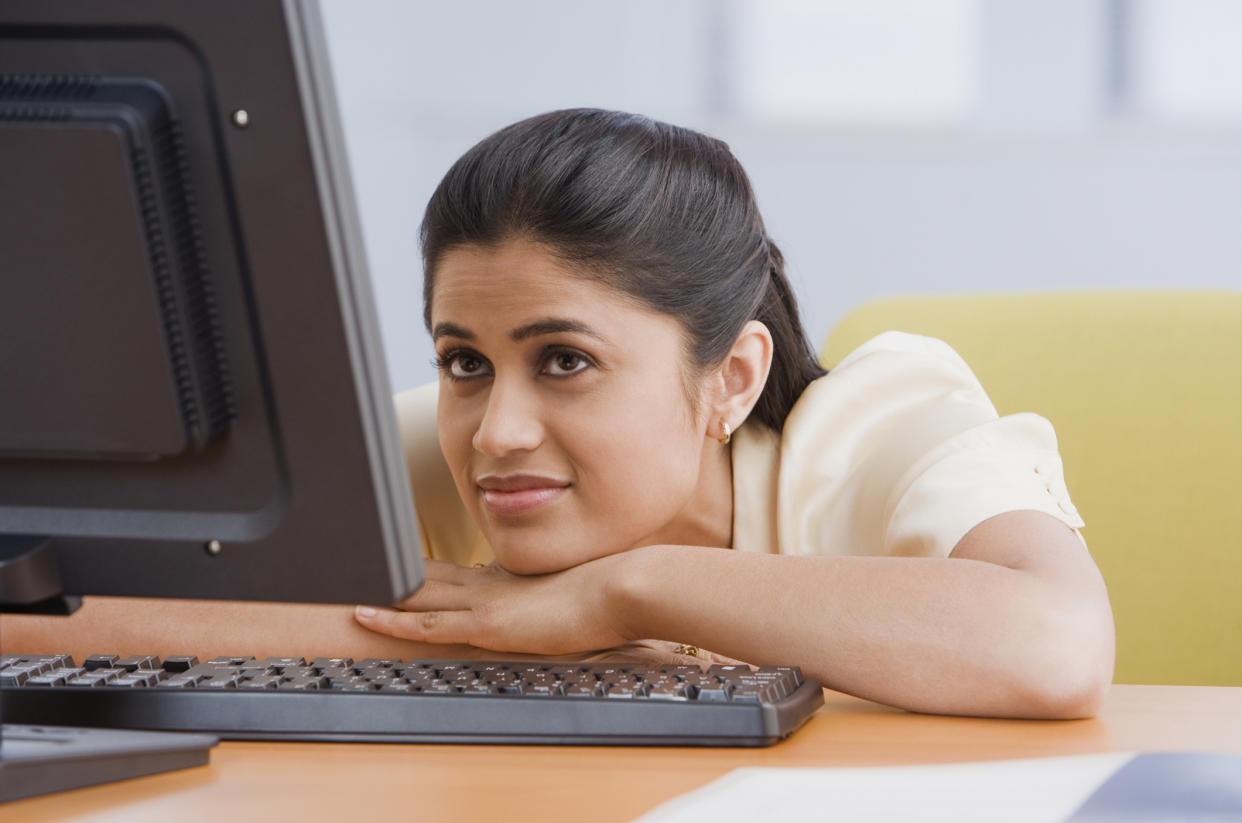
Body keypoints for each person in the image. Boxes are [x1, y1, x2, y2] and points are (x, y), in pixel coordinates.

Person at [3, 109, 1113, 718]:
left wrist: (623, 593)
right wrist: (476, 635)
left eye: (567, 360)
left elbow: (1056, 650)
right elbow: (46, 615)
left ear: (729, 378)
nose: (496, 435)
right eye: (465, 361)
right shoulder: (418, 459)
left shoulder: (883, 425)